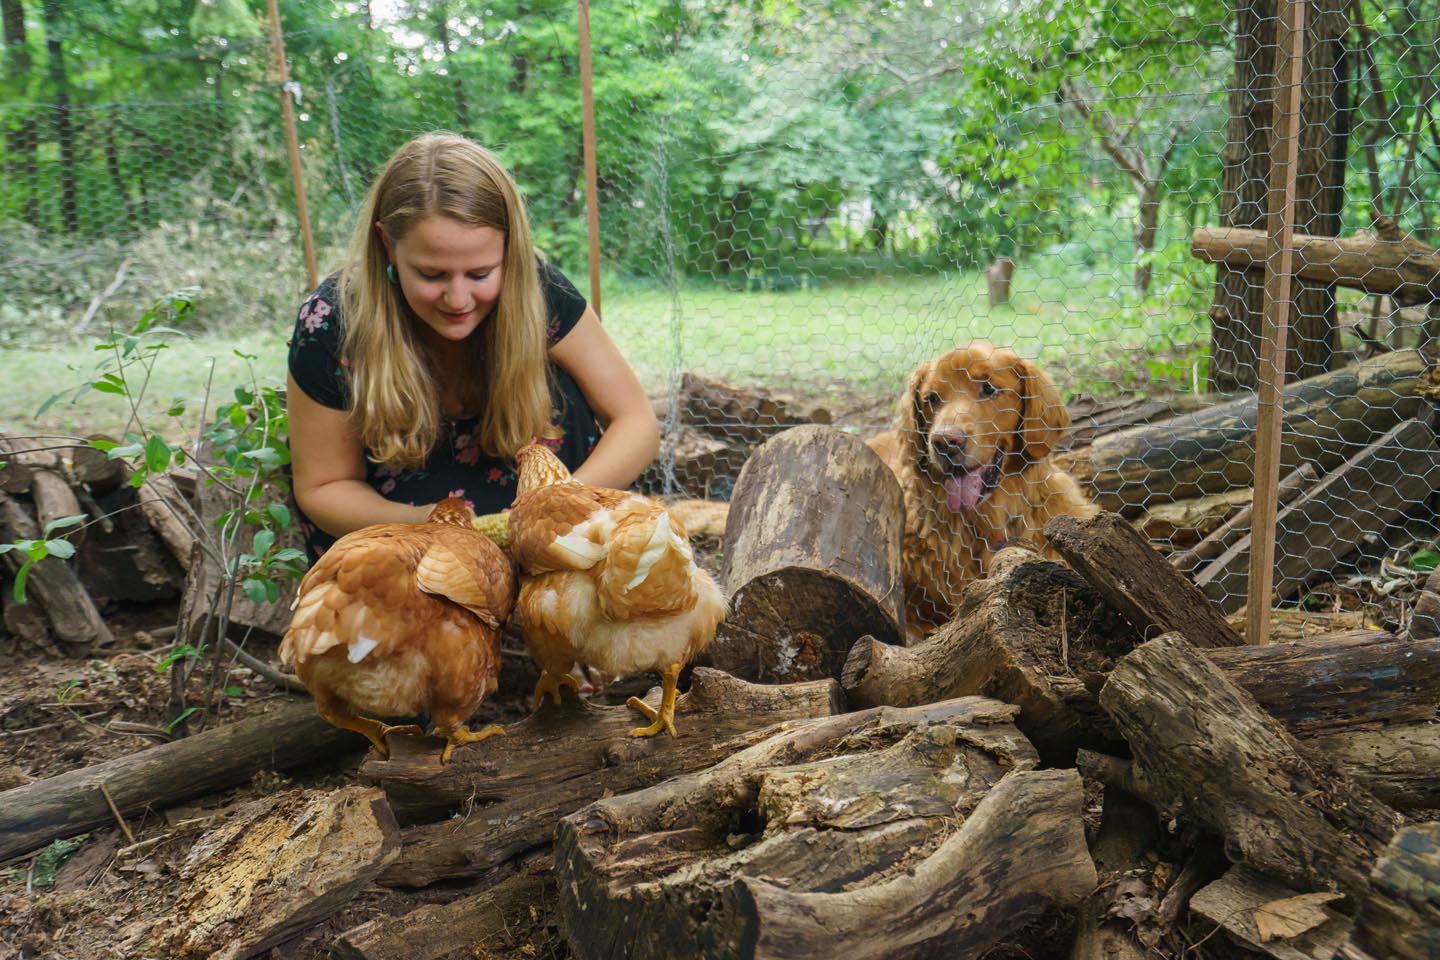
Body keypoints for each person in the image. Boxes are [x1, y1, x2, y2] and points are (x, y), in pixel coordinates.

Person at [287, 132, 658, 561]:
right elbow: (323, 486)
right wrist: (432, 525)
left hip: (553, 531)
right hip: (406, 539)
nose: (458, 299)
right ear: (387, 244)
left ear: (509, 251)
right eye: (431, 274)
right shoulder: (333, 320)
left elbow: (636, 423)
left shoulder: (539, 289)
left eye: (480, 274)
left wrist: (558, 506)